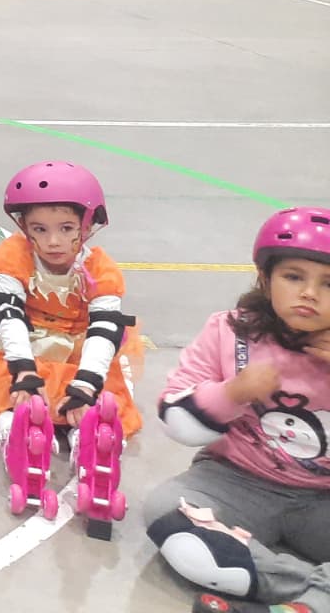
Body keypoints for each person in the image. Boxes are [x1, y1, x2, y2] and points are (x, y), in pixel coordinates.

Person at [145, 208, 330, 613]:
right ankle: (313, 596)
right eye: (293, 277)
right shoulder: (231, 331)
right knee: (168, 514)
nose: (309, 294)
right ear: (265, 279)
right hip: (236, 479)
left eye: (328, 283)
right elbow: (175, 418)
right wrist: (233, 393)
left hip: (323, 498)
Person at [0, 161, 142, 440]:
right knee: (6, 389)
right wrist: (23, 370)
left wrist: (87, 383)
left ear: (87, 226)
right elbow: (8, 315)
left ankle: (85, 434)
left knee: (98, 400)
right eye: (40, 229)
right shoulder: (15, 255)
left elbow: (104, 330)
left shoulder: (100, 269)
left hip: (79, 347)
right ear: (24, 227)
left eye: (66, 228)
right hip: (25, 341)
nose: (53, 241)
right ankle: (13, 424)